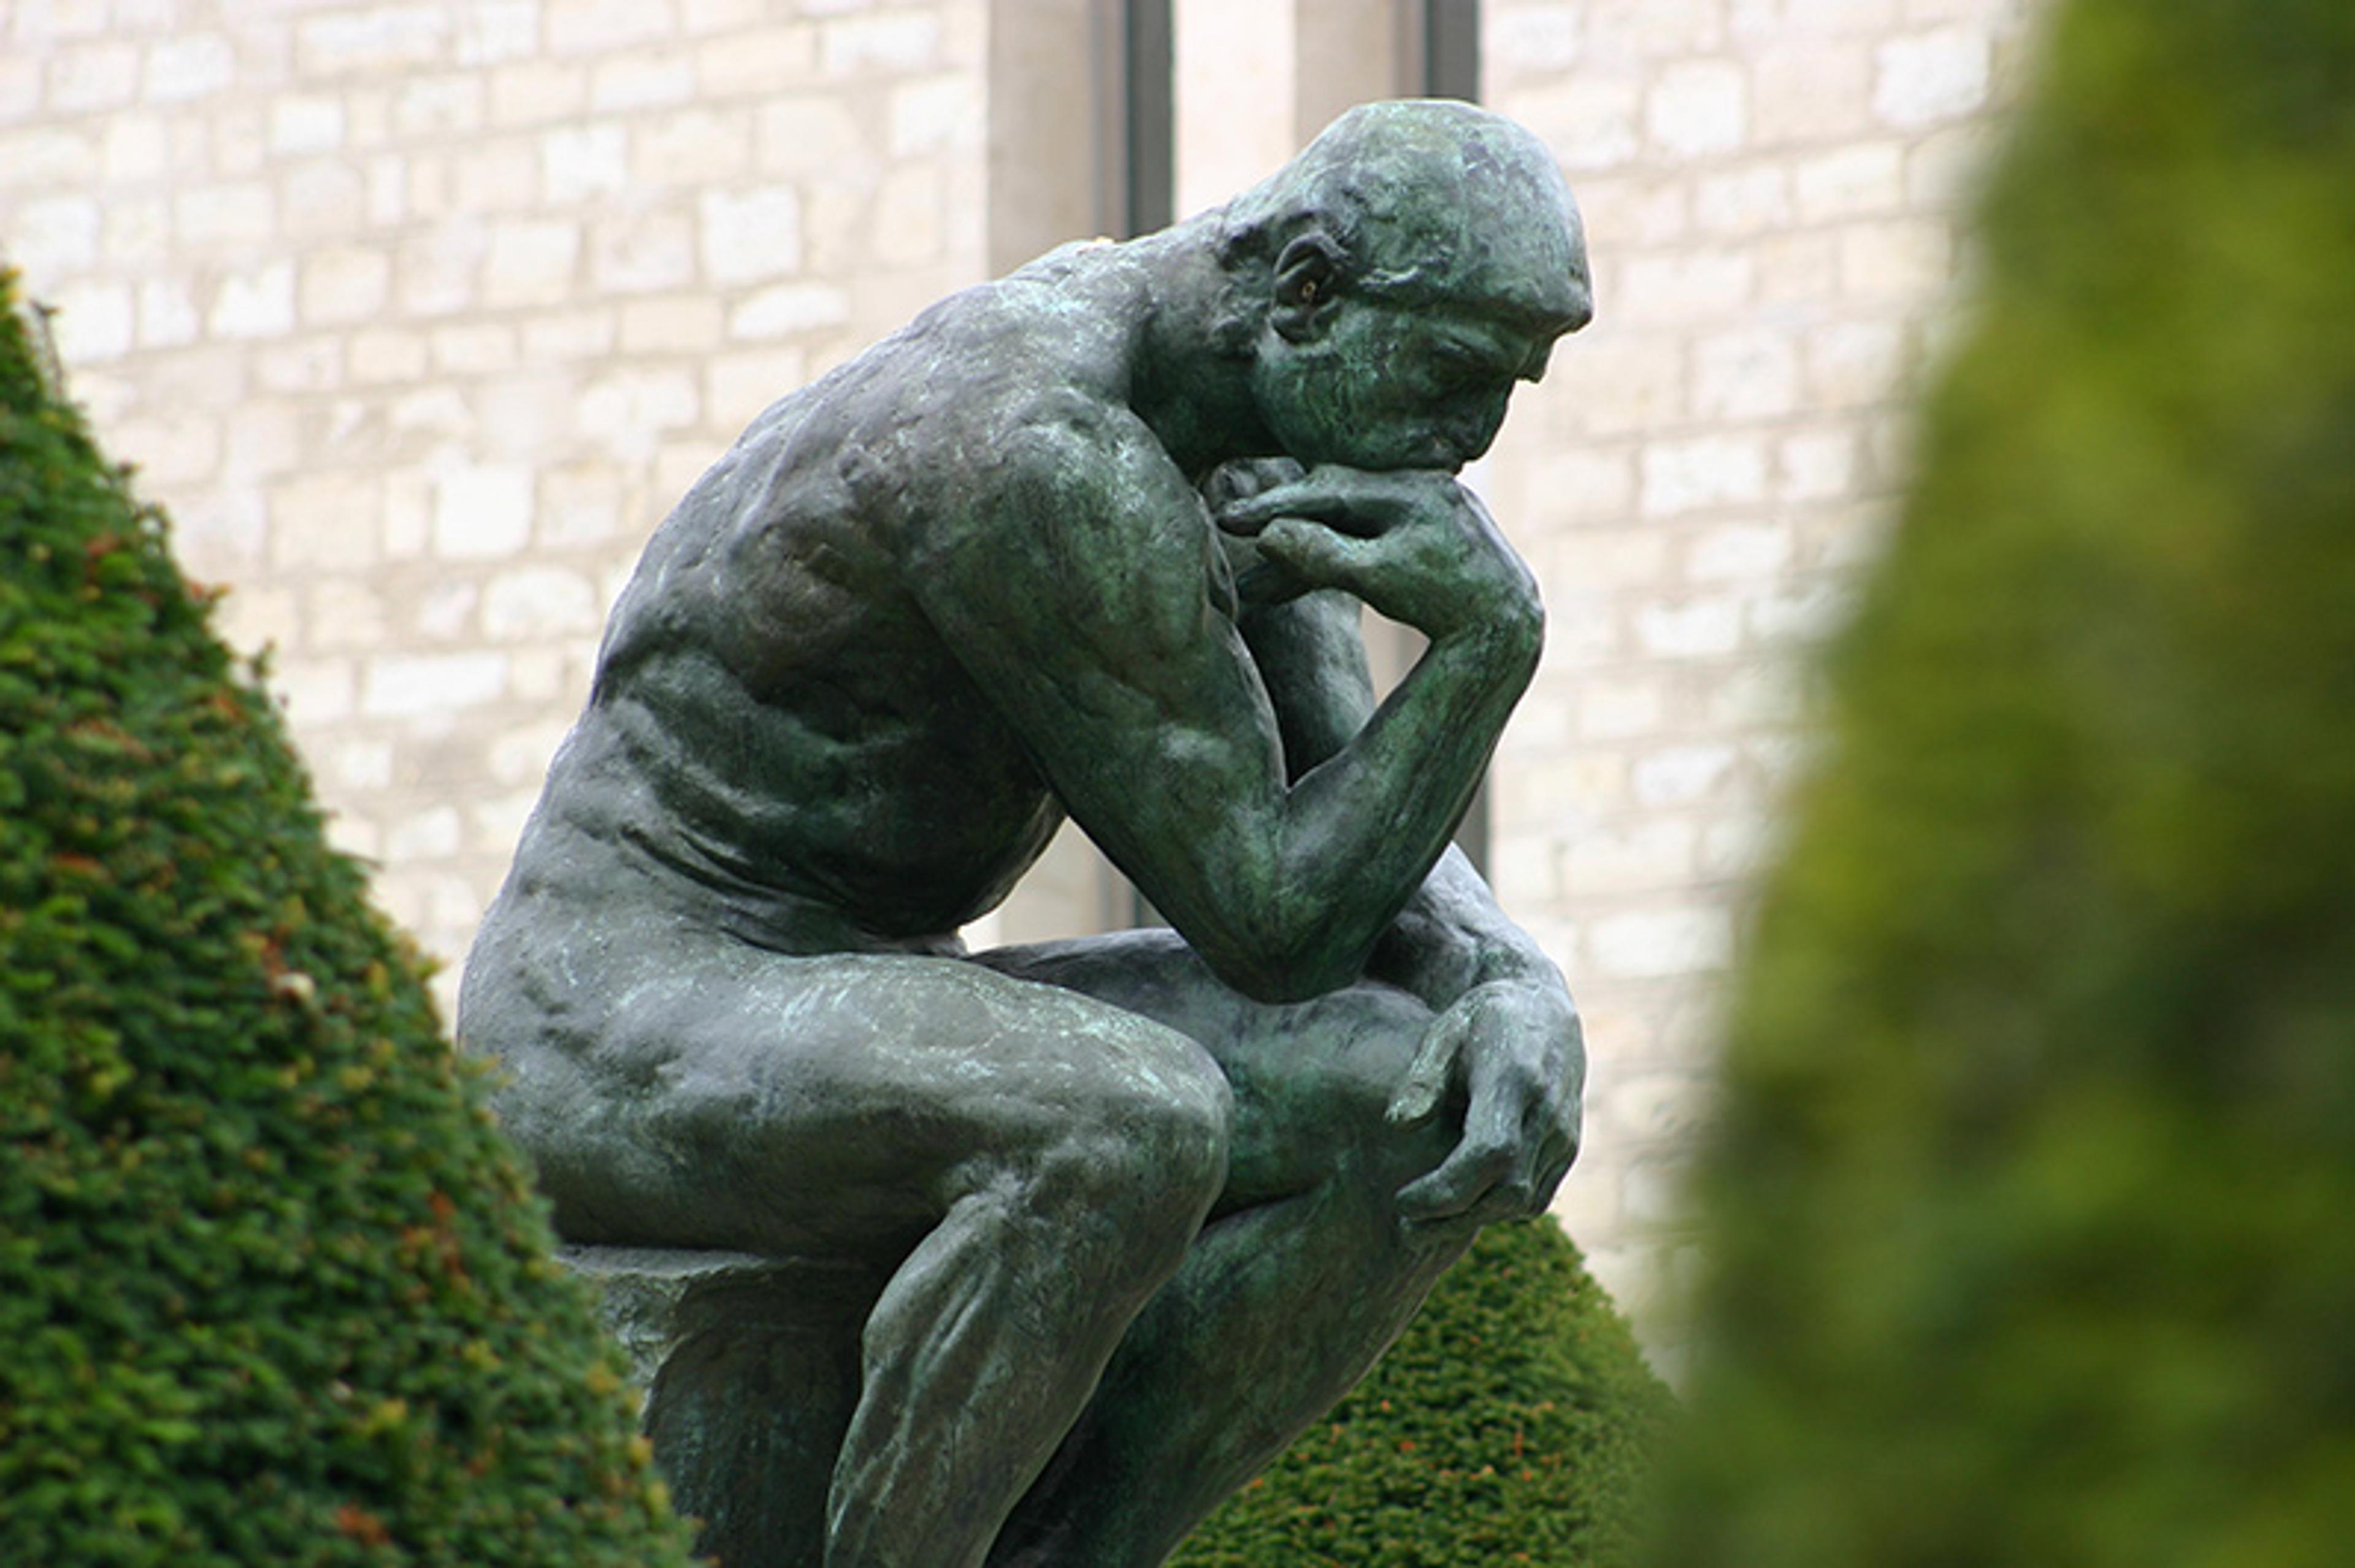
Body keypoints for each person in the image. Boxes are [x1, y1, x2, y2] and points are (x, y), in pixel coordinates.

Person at [459, 99, 1593, 1568]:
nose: (1473, 438)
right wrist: (1490, 646)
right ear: (1308, 291)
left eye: (1506, 389)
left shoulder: (1254, 436)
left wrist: (1512, 981)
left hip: (852, 980)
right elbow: (1274, 921)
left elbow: (1352, 837)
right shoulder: (1040, 448)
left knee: (1417, 1092)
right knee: (1126, 1124)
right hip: (615, 998)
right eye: (1453, 375)